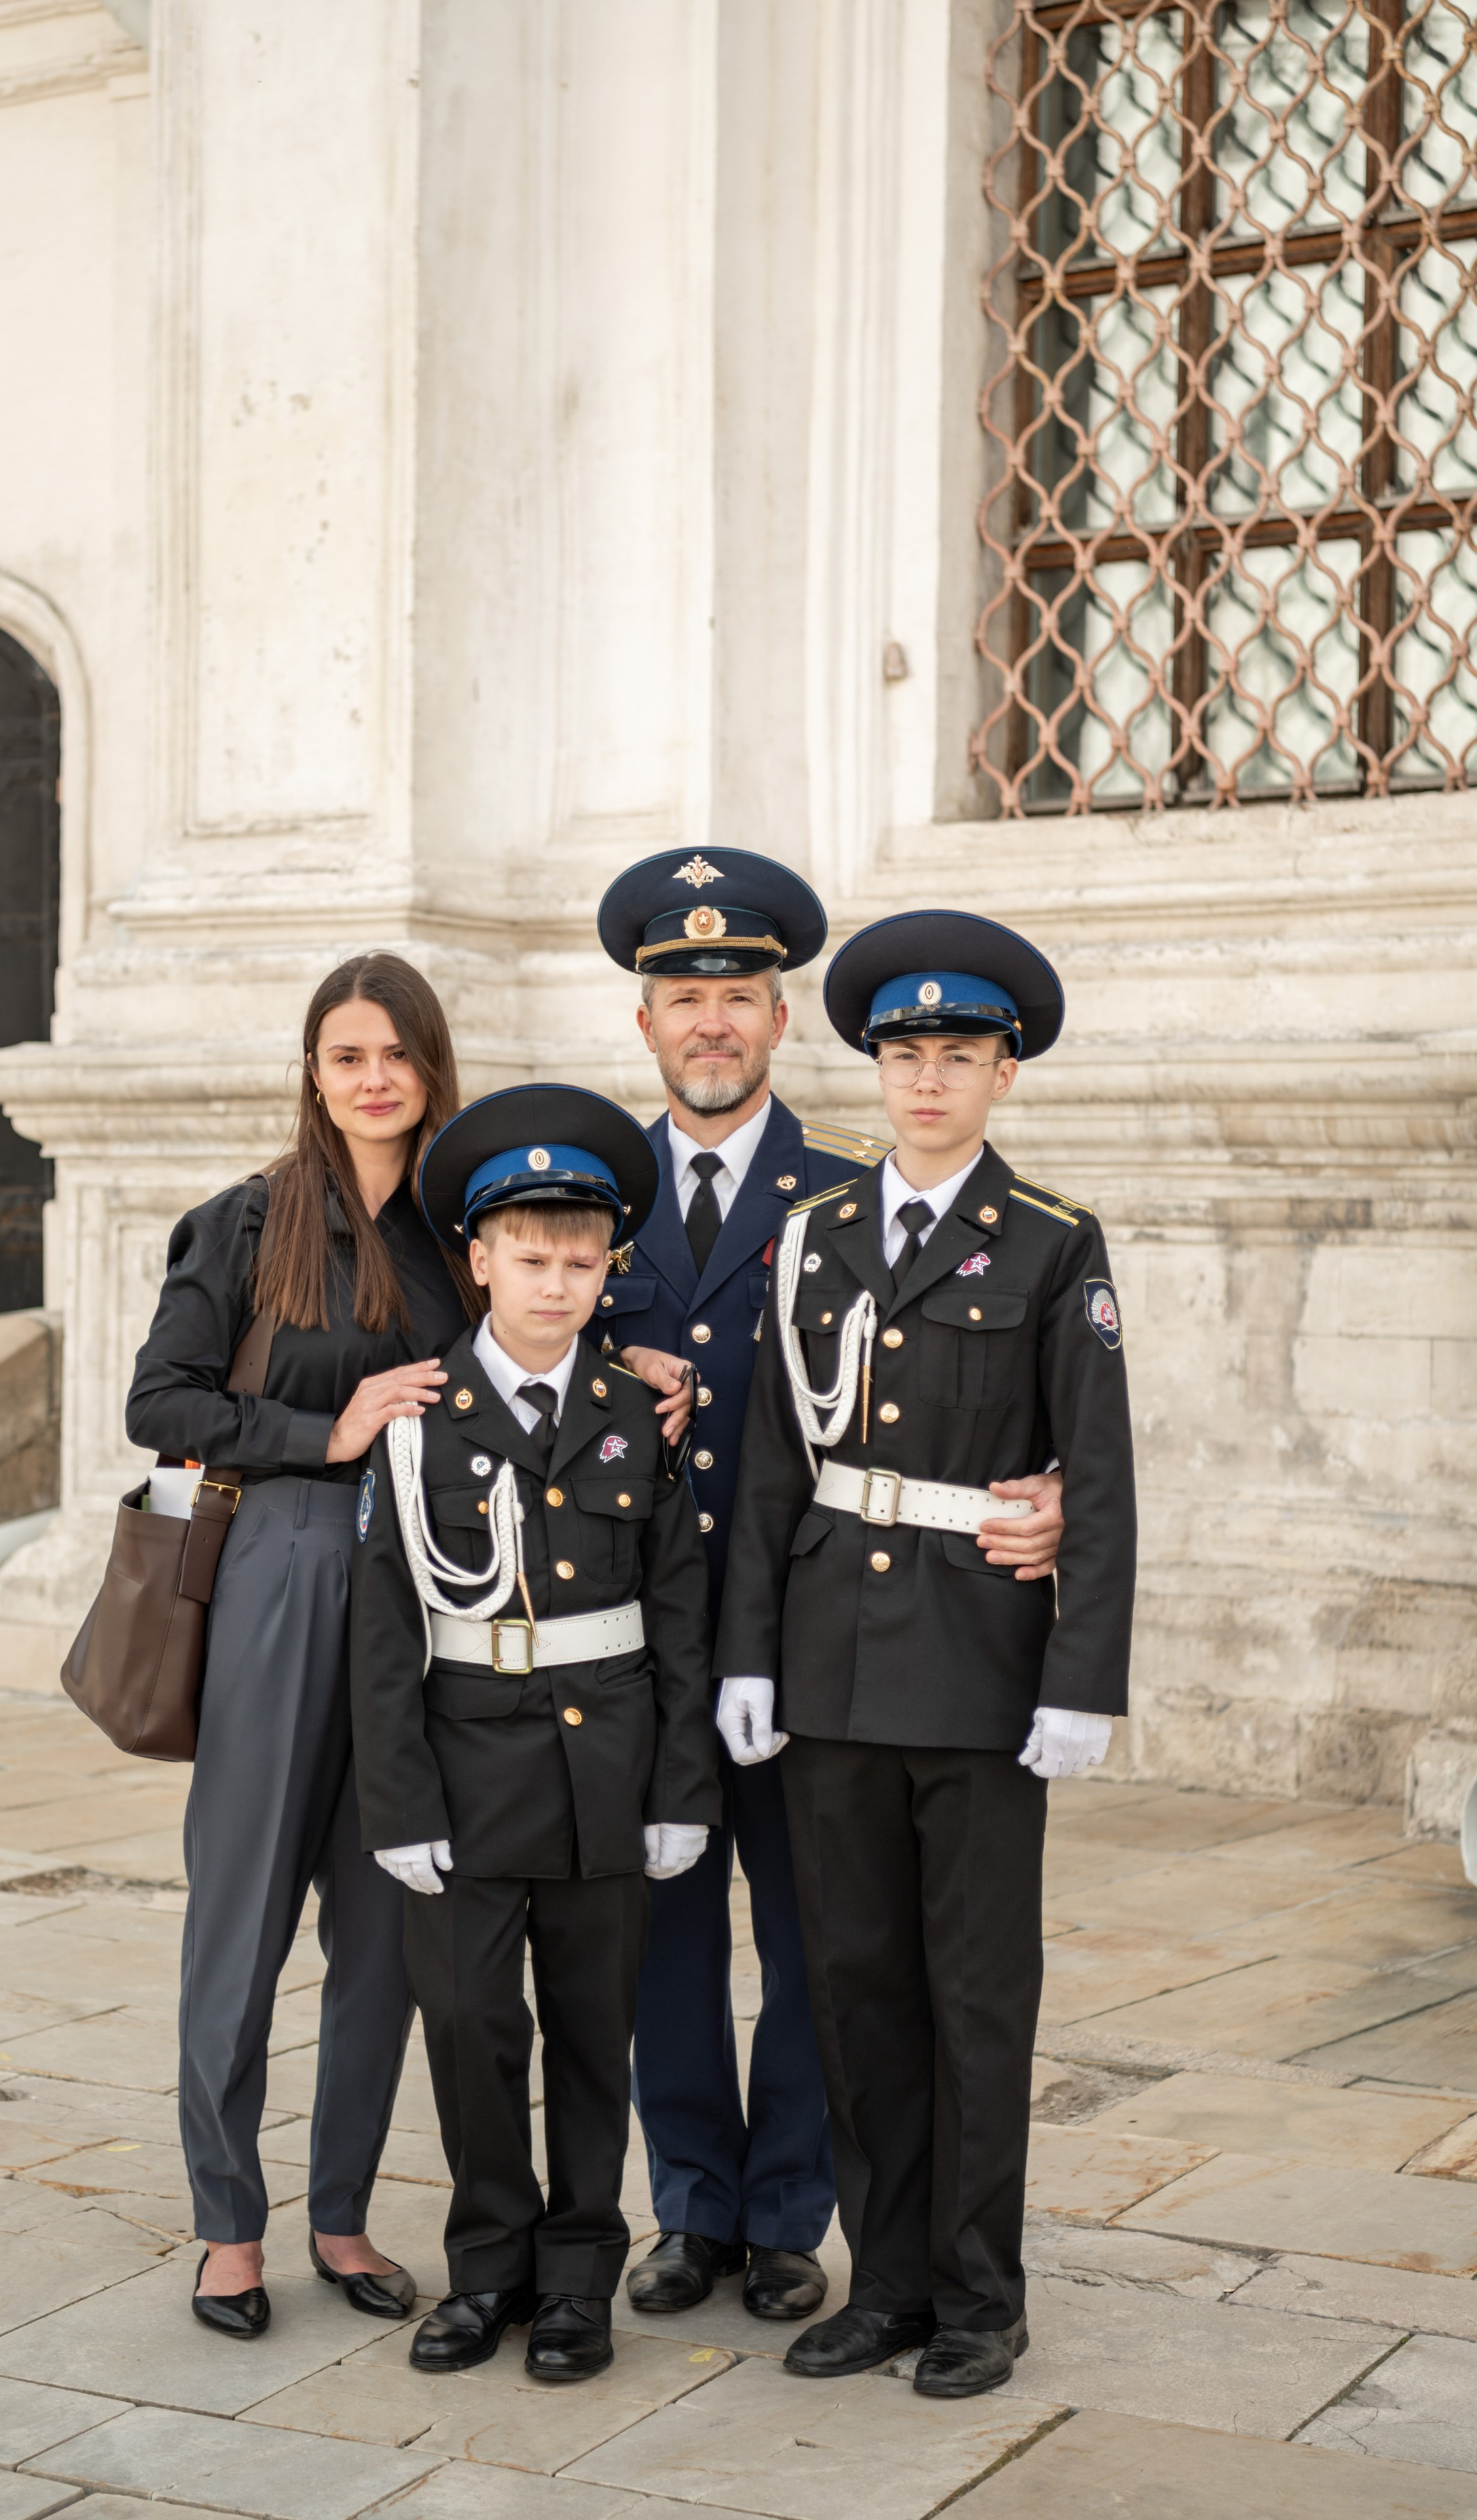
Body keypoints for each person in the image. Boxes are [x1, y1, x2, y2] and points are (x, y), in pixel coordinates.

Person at [591, 853, 1067, 2324]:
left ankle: (791, 2209)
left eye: (736, 995)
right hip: (635, 1638)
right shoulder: (580, 1192)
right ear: (646, 1021)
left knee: (821, 1941)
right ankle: (690, 2206)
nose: (711, 1021)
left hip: (809, 1632)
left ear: (781, 1017)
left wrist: (1040, 1492)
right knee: (661, 1933)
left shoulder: (838, 1197)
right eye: (684, 996)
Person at [713, 910, 1137, 2398]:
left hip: (975, 1668)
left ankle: (976, 2295)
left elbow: (1097, 1464)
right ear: (875, 1068)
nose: (926, 1081)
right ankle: (882, 2281)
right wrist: (745, 1651)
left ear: (1001, 1077)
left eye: (957, 1057)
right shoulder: (814, 1237)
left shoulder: (1047, 1242)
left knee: (972, 1994)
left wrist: (1080, 1674)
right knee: (849, 1985)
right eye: (904, 1055)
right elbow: (773, 1458)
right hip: (828, 1659)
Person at [126, 952, 478, 2339]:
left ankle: (339, 2212)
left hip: (429, 1601)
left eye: (396, 1053)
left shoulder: (466, 1229)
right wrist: (317, 1432)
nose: (374, 1077)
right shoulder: (244, 1223)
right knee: (242, 1917)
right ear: (314, 1072)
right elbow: (160, 1396)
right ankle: (226, 2223)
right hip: (279, 1576)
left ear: (431, 1069)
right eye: (346, 1055)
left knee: (385, 1924)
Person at [350, 1086, 722, 2383]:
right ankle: (486, 2270)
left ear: (607, 1266)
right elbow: (384, 1631)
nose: (554, 1283)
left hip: (605, 1771)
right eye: (528, 1256)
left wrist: (684, 1788)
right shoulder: (412, 1420)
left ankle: (575, 2283)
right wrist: (394, 1805)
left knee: (587, 2033)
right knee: (466, 2029)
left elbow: (677, 1612)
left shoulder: (638, 1413)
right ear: (479, 1259)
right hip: (460, 1767)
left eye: (579, 1259)